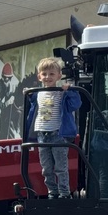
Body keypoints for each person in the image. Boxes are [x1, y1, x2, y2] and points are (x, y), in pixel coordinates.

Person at [26, 56, 82, 199]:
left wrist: (70, 91)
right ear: (39, 76)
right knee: (46, 168)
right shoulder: (37, 93)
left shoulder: (61, 93)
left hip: (58, 134)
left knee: (60, 167)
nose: (48, 77)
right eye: (44, 74)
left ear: (59, 75)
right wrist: (28, 95)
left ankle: (64, 192)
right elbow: (32, 108)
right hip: (42, 134)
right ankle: (52, 190)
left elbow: (75, 105)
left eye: (51, 74)